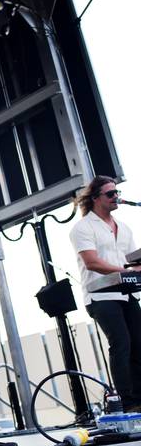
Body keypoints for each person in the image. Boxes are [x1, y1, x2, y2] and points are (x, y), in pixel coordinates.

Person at [70, 175, 141, 411]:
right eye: (110, 194)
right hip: (100, 296)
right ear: (95, 198)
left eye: (116, 193)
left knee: (138, 345)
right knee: (121, 343)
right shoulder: (83, 227)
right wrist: (123, 271)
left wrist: (135, 269)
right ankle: (129, 403)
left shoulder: (125, 228)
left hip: (126, 294)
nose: (115, 198)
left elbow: (133, 262)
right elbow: (92, 262)